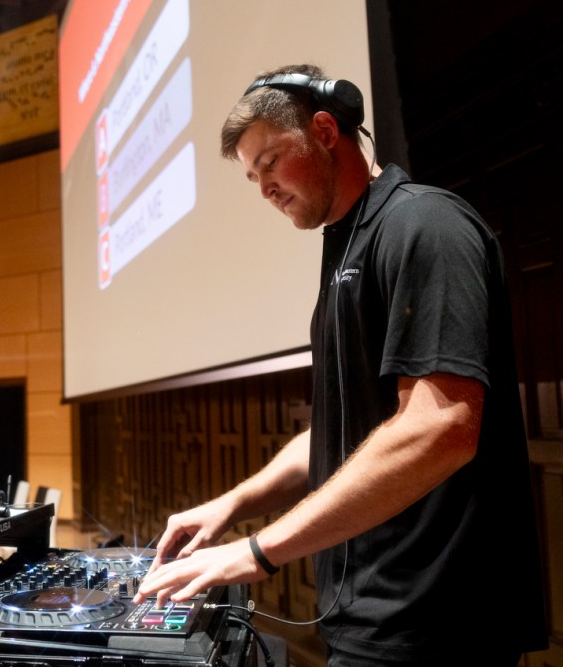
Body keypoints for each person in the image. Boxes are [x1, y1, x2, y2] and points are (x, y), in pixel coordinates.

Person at [134, 64, 547, 665]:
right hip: (369, 618)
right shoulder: (346, 246)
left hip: (436, 627)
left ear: (326, 129)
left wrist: (258, 551)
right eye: (253, 177)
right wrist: (233, 504)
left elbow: (440, 427)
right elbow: (345, 432)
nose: (265, 189)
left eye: (270, 162)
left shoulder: (425, 224)